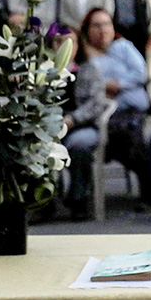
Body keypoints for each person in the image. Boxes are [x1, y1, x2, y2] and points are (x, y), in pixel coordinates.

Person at [80, 8, 151, 208]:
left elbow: (140, 73)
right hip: (102, 112)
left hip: (132, 109)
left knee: (130, 136)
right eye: (96, 25)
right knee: (119, 138)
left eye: (106, 24)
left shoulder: (123, 47)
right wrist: (102, 87)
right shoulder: (84, 55)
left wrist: (118, 84)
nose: (102, 30)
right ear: (87, 29)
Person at [56, 28, 109, 221]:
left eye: (69, 42)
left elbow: (96, 103)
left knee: (78, 146)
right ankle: (44, 202)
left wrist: (72, 119)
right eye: (58, 41)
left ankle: (79, 199)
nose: (63, 47)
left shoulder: (89, 69)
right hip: (51, 127)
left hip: (83, 126)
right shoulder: (45, 71)